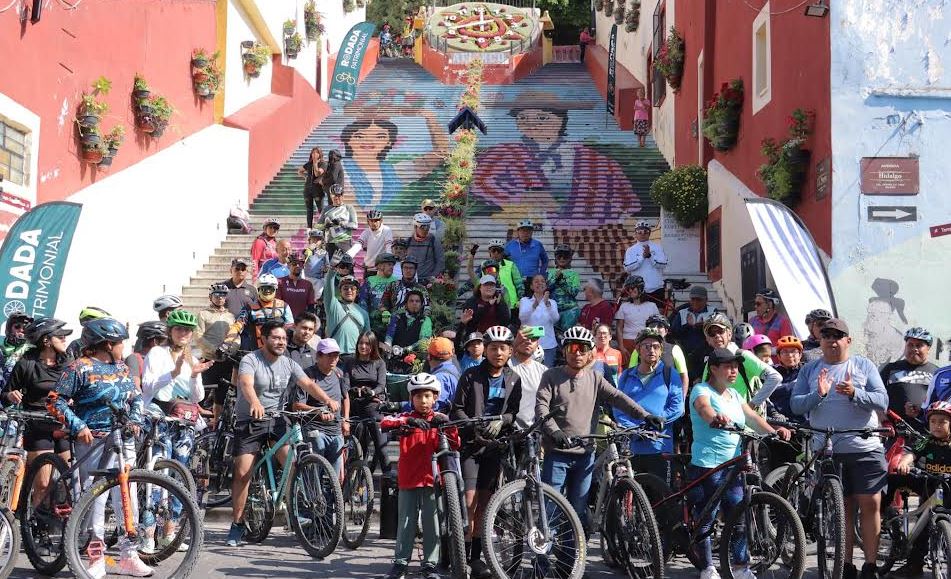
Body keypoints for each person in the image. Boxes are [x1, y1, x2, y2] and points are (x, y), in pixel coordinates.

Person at [46, 318, 152, 577]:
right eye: (120, 343)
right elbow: (55, 402)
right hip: (91, 441)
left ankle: (129, 555)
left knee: (127, 499)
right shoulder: (78, 368)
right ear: (107, 344)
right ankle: (95, 557)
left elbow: (135, 397)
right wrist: (78, 425)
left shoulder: (121, 368)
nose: (123, 348)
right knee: (96, 499)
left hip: (122, 440)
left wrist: (135, 419)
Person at [535, 325, 663, 535]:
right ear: (564, 350)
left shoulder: (594, 378)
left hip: (585, 455)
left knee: (577, 511)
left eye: (583, 349)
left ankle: (571, 561)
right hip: (557, 455)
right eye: (573, 348)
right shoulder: (551, 376)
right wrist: (555, 432)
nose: (577, 353)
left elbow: (618, 397)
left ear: (590, 353)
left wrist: (645, 415)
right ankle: (543, 561)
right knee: (551, 510)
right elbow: (541, 408)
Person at [226, 322, 341, 547]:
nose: (281, 342)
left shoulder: (288, 363)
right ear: (264, 339)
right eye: (276, 338)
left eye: (284, 339)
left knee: (293, 464)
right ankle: (238, 524)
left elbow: (307, 383)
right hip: (251, 420)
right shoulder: (251, 360)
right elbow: (246, 384)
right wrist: (255, 402)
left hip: (278, 420)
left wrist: (327, 400)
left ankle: (296, 515)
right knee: (243, 473)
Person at [790, 318, 889, 579]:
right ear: (819, 340)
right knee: (842, 509)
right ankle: (845, 565)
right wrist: (818, 395)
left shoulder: (863, 365)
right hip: (828, 449)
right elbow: (796, 406)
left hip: (865, 447)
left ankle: (870, 565)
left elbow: (882, 401)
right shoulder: (809, 370)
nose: (832, 341)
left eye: (838, 336)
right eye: (826, 336)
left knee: (870, 504)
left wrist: (855, 393)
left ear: (848, 340)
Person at [689, 347, 791, 579]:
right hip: (708, 464)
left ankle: (740, 567)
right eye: (728, 366)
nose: (734, 370)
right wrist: (715, 418)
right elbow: (704, 409)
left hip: (734, 465)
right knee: (707, 518)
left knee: (739, 517)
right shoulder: (701, 390)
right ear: (714, 369)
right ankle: (707, 568)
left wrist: (773, 432)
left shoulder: (734, 394)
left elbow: (752, 418)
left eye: (736, 366)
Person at [452, 325, 522, 579]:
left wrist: (502, 419)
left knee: (485, 504)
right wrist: (474, 424)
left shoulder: (514, 378)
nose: (498, 352)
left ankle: (477, 558)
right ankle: (462, 553)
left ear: (510, 351)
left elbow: (513, 411)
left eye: (503, 348)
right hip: (472, 445)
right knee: (468, 502)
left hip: (495, 447)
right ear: (485, 349)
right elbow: (456, 409)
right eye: (493, 348)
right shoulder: (470, 375)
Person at [380, 374, 457, 579]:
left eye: (427, 396)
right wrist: (408, 420)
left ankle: (429, 564)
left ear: (435, 398)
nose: (423, 401)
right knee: (405, 522)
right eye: (418, 396)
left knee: (432, 523)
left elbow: (455, 443)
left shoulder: (439, 419)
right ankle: (400, 563)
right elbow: (385, 422)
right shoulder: (405, 418)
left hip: (433, 479)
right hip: (408, 478)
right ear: (411, 398)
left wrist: (447, 423)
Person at [5, 318, 71, 509]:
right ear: (47, 340)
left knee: (68, 482)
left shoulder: (68, 362)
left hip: (63, 425)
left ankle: (62, 526)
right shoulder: (27, 363)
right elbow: (6, 393)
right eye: (60, 336)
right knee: (42, 484)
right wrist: (11, 394)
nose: (65, 340)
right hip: (37, 425)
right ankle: (33, 527)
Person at [142, 311, 211, 490]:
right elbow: (148, 386)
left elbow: (197, 398)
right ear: (170, 331)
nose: (183, 333)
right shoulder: (157, 353)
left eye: (188, 330)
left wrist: (194, 376)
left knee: (181, 469)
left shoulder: (192, 359)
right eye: (179, 329)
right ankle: (151, 514)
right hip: (160, 415)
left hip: (184, 418)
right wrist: (173, 373)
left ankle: (174, 515)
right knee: (159, 468)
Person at [887, 401, 951, 578]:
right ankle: (914, 565)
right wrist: (905, 463)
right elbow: (912, 453)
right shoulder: (926, 441)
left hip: (948, 488)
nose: (937, 426)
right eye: (933, 422)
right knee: (923, 529)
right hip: (929, 486)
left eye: (942, 422)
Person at [615, 328, 684, 484]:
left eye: (656, 346)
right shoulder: (626, 375)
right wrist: (634, 427)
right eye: (646, 346)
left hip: (660, 446)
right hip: (633, 447)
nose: (651, 350)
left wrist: (657, 421)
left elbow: (677, 406)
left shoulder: (669, 373)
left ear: (661, 351)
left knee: (661, 499)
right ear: (638, 349)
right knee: (634, 498)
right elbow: (618, 405)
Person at [701, 313, 782, 406]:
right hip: (721, 418)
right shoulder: (710, 362)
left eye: (720, 331)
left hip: (745, 419)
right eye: (712, 333)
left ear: (729, 333)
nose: (717, 336)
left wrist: (752, 405)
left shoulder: (742, 355)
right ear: (707, 339)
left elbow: (775, 377)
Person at [294, 338, 349, 475]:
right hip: (315, 431)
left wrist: (345, 419)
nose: (333, 359)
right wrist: (318, 411)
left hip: (336, 431)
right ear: (318, 356)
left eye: (336, 355)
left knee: (334, 480)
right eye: (329, 355)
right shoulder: (308, 375)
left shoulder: (339, 373)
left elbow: (346, 398)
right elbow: (296, 405)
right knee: (315, 476)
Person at [343, 331, 390, 474]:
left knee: (381, 446)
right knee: (357, 447)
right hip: (354, 405)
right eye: (360, 343)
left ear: (373, 346)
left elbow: (381, 385)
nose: (363, 346)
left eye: (367, 344)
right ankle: (356, 482)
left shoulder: (379, 363)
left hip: (373, 404)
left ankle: (388, 479)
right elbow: (345, 384)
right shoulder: (350, 362)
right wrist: (353, 390)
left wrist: (372, 392)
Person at [221, 273, 294, 353]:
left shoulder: (284, 306)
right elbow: (237, 326)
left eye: (270, 288)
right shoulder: (250, 307)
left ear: (275, 289)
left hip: (279, 351)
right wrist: (227, 342)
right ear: (258, 289)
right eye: (264, 288)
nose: (268, 291)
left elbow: (291, 327)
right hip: (257, 352)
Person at [194, 284, 236, 423]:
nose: (220, 298)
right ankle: (194, 424)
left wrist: (232, 349)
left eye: (223, 295)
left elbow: (235, 334)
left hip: (226, 361)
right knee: (201, 395)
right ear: (210, 297)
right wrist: (214, 350)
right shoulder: (203, 314)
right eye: (216, 295)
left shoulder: (230, 316)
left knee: (221, 397)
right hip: (209, 360)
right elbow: (198, 336)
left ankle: (215, 426)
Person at [882, 327, 937, 432]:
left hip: (926, 434)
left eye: (919, 345)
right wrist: (883, 421)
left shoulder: (936, 373)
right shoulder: (891, 369)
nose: (914, 349)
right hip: (894, 432)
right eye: (910, 345)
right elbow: (876, 398)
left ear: (928, 348)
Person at [628, 314, 690, 393]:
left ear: (666, 331)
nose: (655, 328)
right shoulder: (638, 349)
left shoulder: (674, 349)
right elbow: (631, 374)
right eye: (652, 325)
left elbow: (683, 376)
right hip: (642, 395)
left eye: (660, 326)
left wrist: (682, 400)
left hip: (668, 396)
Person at [671, 285, 719, 382]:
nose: (695, 302)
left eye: (699, 300)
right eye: (693, 299)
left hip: (705, 353)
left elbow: (717, 333)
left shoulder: (712, 312)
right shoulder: (682, 313)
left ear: (706, 300)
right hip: (686, 353)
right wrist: (688, 326)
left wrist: (703, 326)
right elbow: (674, 333)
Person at [323, 269, 370, 357]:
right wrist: (332, 269)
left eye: (352, 288)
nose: (349, 290)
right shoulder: (333, 306)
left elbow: (367, 338)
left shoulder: (363, 313)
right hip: (335, 356)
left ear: (357, 292)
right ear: (340, 291)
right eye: (345, 288)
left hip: (355, 358)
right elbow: (328, 288)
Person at [615, 274, 660, 366]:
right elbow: (619, 328)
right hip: (628, 342)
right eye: (629, 289)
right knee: (628, 369)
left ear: (640, 288)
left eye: (633, 288)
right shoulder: (624, 306)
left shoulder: (652, 306)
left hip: (646, 341)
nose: (631, 291)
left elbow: (657, 326)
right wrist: (621, 346)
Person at [508, 326, 548, 429]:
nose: (529, 341)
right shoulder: (506, 364)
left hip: (532, 432)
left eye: (533, 339)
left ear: (537, 345)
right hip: (507, 429)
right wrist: (515, 342)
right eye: (525, 338)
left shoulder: (543, 371)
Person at [623, 220, 668, 307]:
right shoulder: (631, 250)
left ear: (649, 233)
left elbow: (663, 264)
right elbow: (628, 267)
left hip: (656, 288)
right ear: (635, 234)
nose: (642, 234)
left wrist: (650, 256)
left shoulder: (658, 248)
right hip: (637, 290)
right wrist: (642, 257)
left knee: (656, 317)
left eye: (645, 231)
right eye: (639, 232)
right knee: (636, 317)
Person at [468, 240, 523, 311]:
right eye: (493, 250)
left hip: (510, 307)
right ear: (489, 252)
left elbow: (519, 284)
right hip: (488, 307)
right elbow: (470, 271)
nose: (496, 253)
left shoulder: (510, 265)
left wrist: (521, 300)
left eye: (499, 251)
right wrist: (472, 254)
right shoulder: (483, 265)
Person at [383, 289, 433, 367]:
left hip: (415, 361)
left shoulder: (425, 320)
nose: (414, 303)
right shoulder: (396, 317)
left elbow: (424, 340)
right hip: (394, 358)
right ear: (406, 304)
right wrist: (388, 346)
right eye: (411, 301)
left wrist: (406, 349)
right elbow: (389, 335)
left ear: (421, 304)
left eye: (417, 301)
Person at [519, 274, 560, 367]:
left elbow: (555, 319)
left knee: (546, 374)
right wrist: (534, 305)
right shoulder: (524, 301)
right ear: (531, 286)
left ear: (545, 285)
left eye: (542, 281)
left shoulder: (552, 302)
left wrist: (547, 304)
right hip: (529, 344)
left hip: (548, 345)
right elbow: (522, 318)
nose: (540, 283)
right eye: (536, 281)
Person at [359, 252, 398, 339]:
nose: (392, 267)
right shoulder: (369, 281)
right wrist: (366, 326)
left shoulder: (397, 282)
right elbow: (363, 304)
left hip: (392, 328)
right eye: (389, 264)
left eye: (392, 265)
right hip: (372, 327)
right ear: (379, 266)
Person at [505, 219, 548, 293]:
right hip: (515, 281)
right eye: (523, 231)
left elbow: (545, 260)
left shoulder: (537, 245)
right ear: (518, 232)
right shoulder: (510, 245)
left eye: (528, 231)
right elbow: (503, 261)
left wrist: (542, 274)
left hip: (533, 282)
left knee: (533, 302)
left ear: (532, 232)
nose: (525, 233)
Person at [546, 244, 581, 332]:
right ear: (555, 258)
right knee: (552, 335)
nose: (562, 259)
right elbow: (546, 288)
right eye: (559, 256)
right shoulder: (549, 273)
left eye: (565, 257)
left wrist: (562, 280)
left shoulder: (574, 274)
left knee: (566, 335)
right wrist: (555, 279)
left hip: (569, 310)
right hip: (552, 310)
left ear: (570, 259)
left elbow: (574, 292)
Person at [318, 185, 358, 259]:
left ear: (342, 195)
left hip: (344, 243)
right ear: (330, 195)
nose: (336, 198)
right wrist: (326, 225)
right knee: (331, 269)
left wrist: (341, 223)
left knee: (346, 268)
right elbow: (318, 227)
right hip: (330, 243)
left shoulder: (349, 208)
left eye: (338, 195)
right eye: (334, 195)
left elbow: (355, 225)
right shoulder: (326, 209)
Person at [277, 251, 317, 319]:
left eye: (300, 263)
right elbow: (277, 304)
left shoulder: (308, 284)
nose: (298, 266)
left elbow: (311, 307)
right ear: (289, 265)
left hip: (301, 323)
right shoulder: (280, 282)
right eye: (295, 263)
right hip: (285, 322)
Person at [126, 321, 167, 389]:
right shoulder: (134, 358)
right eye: (165, 342)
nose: (168, 346)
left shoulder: (163, 360)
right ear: (155, 342)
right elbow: (135, 389)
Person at [406, 212, 445, 282]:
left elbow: (440, 260)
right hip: (411, 280)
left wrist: (433, 277)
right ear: (415, 226)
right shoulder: (409, 241)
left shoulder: (433, 240)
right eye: (423, 227)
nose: (426, 229)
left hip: (427, 280)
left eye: (428, 226)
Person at [0, 311, 33, 388]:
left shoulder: (32, 350)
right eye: (17, 327)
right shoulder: (1, 350)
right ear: (9, 328)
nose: (21, 330)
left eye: (25, 327)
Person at [359, 210, 394, 279]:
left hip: (382, 270)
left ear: (381, 221)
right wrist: (349, 254)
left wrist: (389, 259)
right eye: (371, 221)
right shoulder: (366, 232)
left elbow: (389, 246)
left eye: (376, 220)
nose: (374, 223)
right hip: (369, 269)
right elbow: (358, 244)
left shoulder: (386, 230)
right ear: (368, 222)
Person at [297, 147, 326, 229]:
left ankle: (322, 227)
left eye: (316, 153)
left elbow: (317, 174)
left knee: (321, 209)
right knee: (309, 210)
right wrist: (305, 176)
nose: (314, 154)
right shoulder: (309, 163)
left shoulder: (323, 164)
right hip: (307, 189)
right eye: (313, 153)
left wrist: (315, 163)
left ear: (320, 154)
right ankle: (309, 229)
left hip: (318, 190)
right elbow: (299, 170)